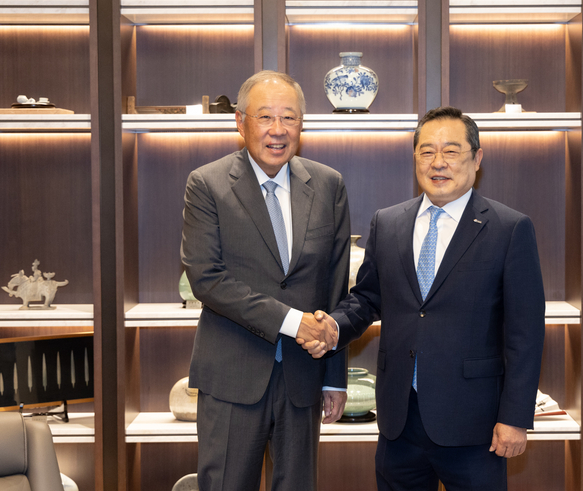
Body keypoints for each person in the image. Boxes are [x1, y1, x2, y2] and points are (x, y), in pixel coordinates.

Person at [300, 106, 546, 490]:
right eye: (427, 151)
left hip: (474, 424)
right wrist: (333, 326)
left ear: (477, 158)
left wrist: (515, 416)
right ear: (415, 158)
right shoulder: (389, 221)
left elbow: (525, 334)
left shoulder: (509, 228)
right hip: (400, 421)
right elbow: (366, 299)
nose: (438, 162)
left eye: (451, 151)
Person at [181, 70, 350, 491]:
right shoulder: (207, 184)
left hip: (303, 378)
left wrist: (333, 375)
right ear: (241, 122)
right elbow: (207, 278)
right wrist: (293, 322)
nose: (278, 130)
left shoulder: (329, 185)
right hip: (232, 376)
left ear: (302, 125)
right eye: (265, 117)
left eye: (289, 118)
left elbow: (335, 284)